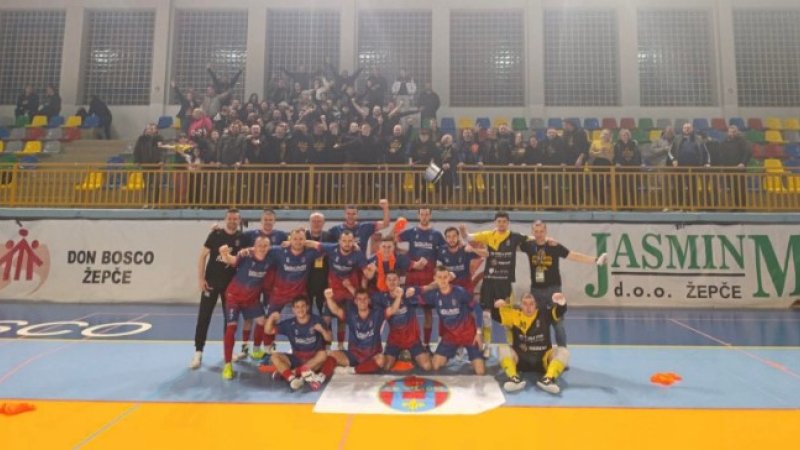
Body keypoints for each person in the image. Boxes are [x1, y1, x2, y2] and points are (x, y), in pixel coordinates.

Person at [520, 220, 607, 347]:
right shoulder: (528, 245)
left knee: (558, 324)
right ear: (532, 232)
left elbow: (573, 256)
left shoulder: (554, 246)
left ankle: (562, 351)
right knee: (538, 324)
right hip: (536, 291)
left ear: (546, 231)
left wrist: (595, 260)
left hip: (554, 291)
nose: (539, 234)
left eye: (541, 231)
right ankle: (542, 351)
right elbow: (513, 242)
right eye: (536, 231)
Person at [460, 211, 528, 356]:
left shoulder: (514, 237)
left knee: (507, 318)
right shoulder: (488, 235)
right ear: (495, 223)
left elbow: (532, 239)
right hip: (489, 283)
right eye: (499, 221)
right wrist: (463, 232)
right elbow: (468, 237)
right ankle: (487, 346)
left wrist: (546, 239)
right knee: (486, 316)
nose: (501, 224)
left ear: (508, 223)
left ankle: (512, 346)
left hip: (505, 284)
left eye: (504, 221)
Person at [191, 208, 243, 369]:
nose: (232, 221)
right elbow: (202, 256)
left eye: (235, 219)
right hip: (211, 283)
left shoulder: (242, 238)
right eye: (230, 218)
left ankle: (228, 352)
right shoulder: (215, 234)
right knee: (204, 317)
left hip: (230, 286)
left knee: (230, 320)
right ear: (225, 219)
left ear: (239, 221)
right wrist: (201, 279)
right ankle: (198, 352)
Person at [493, 292, 571, 394]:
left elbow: (560, 311)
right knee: (502, 349)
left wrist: (561, 302)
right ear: (520, 305)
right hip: (520, 360)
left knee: (563, 351)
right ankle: (514, 379)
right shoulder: (514, 315)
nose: (528, 307)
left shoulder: (544, 314)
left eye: (531, 304)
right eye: (525, 304)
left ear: (536, 305)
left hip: (543, 360)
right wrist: (496, 307)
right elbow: (496, 316)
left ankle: (548, 379)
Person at [217, 237, 272, 380]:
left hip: (251, 299)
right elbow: (231, 260)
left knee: (262, 321)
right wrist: (224, 254)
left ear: (269, 247)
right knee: (231, 328)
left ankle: (256, 350)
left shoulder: (270, 259)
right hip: (234, 297)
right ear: (254, 246)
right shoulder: (245, 255)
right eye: (259, 245)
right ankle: (228, 365)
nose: (262, 248)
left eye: (265, 245)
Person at [419, 266, 485, 375]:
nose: (443, 280)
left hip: (469, 334)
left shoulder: (460, 292)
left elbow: (477, 309)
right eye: (439, 277)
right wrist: (429, 287)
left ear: (449, 277)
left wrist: (478, 333)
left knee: (480, 371)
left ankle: (474, 355)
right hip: (451, 336)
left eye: (445, 277)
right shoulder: (433, 295)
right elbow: (414, 296)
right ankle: (451, 352)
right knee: (435, 365)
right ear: (435, 278)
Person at [396, 208, 445, 350]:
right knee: (408, 313)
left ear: (430, 215)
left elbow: (445, 252)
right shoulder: (411, 232)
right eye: (422, 214)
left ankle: (426, 344)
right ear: (418, 215)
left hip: (429, 280)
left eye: (426, 214)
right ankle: (409, 344)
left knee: (428, 313)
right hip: (413, 278)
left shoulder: (436, 235)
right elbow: (393, 241)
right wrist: (408, 258)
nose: (424, 216)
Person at [264, 296, 336, 391]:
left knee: (323, 355)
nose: (300, 309)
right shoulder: (289, 324)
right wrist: (271, 318)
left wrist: (323, 331)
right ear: (293, 309)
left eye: (303, 306)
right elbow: (268, 331)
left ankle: (292, 373)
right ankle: (292, 379)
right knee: (274, 356)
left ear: (307, 307)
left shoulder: (317, 320)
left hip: (314, 360)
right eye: (297, 307)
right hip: (296, 358)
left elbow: (329, 339)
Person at [319, 230, 373, 349]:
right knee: (325, 319)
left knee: (342, 319)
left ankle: (341, 345)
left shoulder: (358, 254)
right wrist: (290, 243)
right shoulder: (331, 248)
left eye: (350, 241)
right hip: (333, 291)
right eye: (344, 241)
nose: (347, 243)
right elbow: (313, 244)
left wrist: (372, 271)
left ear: (354, 242)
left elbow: (368, 274)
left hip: (349, 291)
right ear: (339, 241)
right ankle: (325, 346)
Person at [324, 288, 391, 375]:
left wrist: (399, 296)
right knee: (332, 354)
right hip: (354, 355)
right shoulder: (351, 314)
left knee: (381, 360)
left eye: (365, 299)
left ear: (369, 300)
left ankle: (353, 370)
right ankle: (321, 377)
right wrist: (329, 298)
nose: (362, 301)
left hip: (371, 355)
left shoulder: (377, 314)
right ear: (355, 301)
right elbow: (336, 310)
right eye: (359, 299)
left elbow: (392, 310)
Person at [374, 272, 432, 371]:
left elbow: (426, 289)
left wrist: (416, 290)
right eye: (389, 279)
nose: (392, 282)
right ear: (385, 282)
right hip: (394, 340)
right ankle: (400, 355)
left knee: (427, 366)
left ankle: (415, 354)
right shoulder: (382, 298)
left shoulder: (408, 293)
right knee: (386, 367)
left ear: (399, 281)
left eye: (394, 279)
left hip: (412, 339)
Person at [133, 123, 166, 207]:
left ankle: (155, 203)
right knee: (147, 185)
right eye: (148, 128)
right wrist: (137, 161)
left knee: (156, 185)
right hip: (145, 165)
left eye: (152, 128)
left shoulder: (159, 138)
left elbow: (163, 151)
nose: (150, 130)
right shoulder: (141, 139)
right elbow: (137, 151)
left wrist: (162, 161)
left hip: (156, 166)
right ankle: (147, 202)